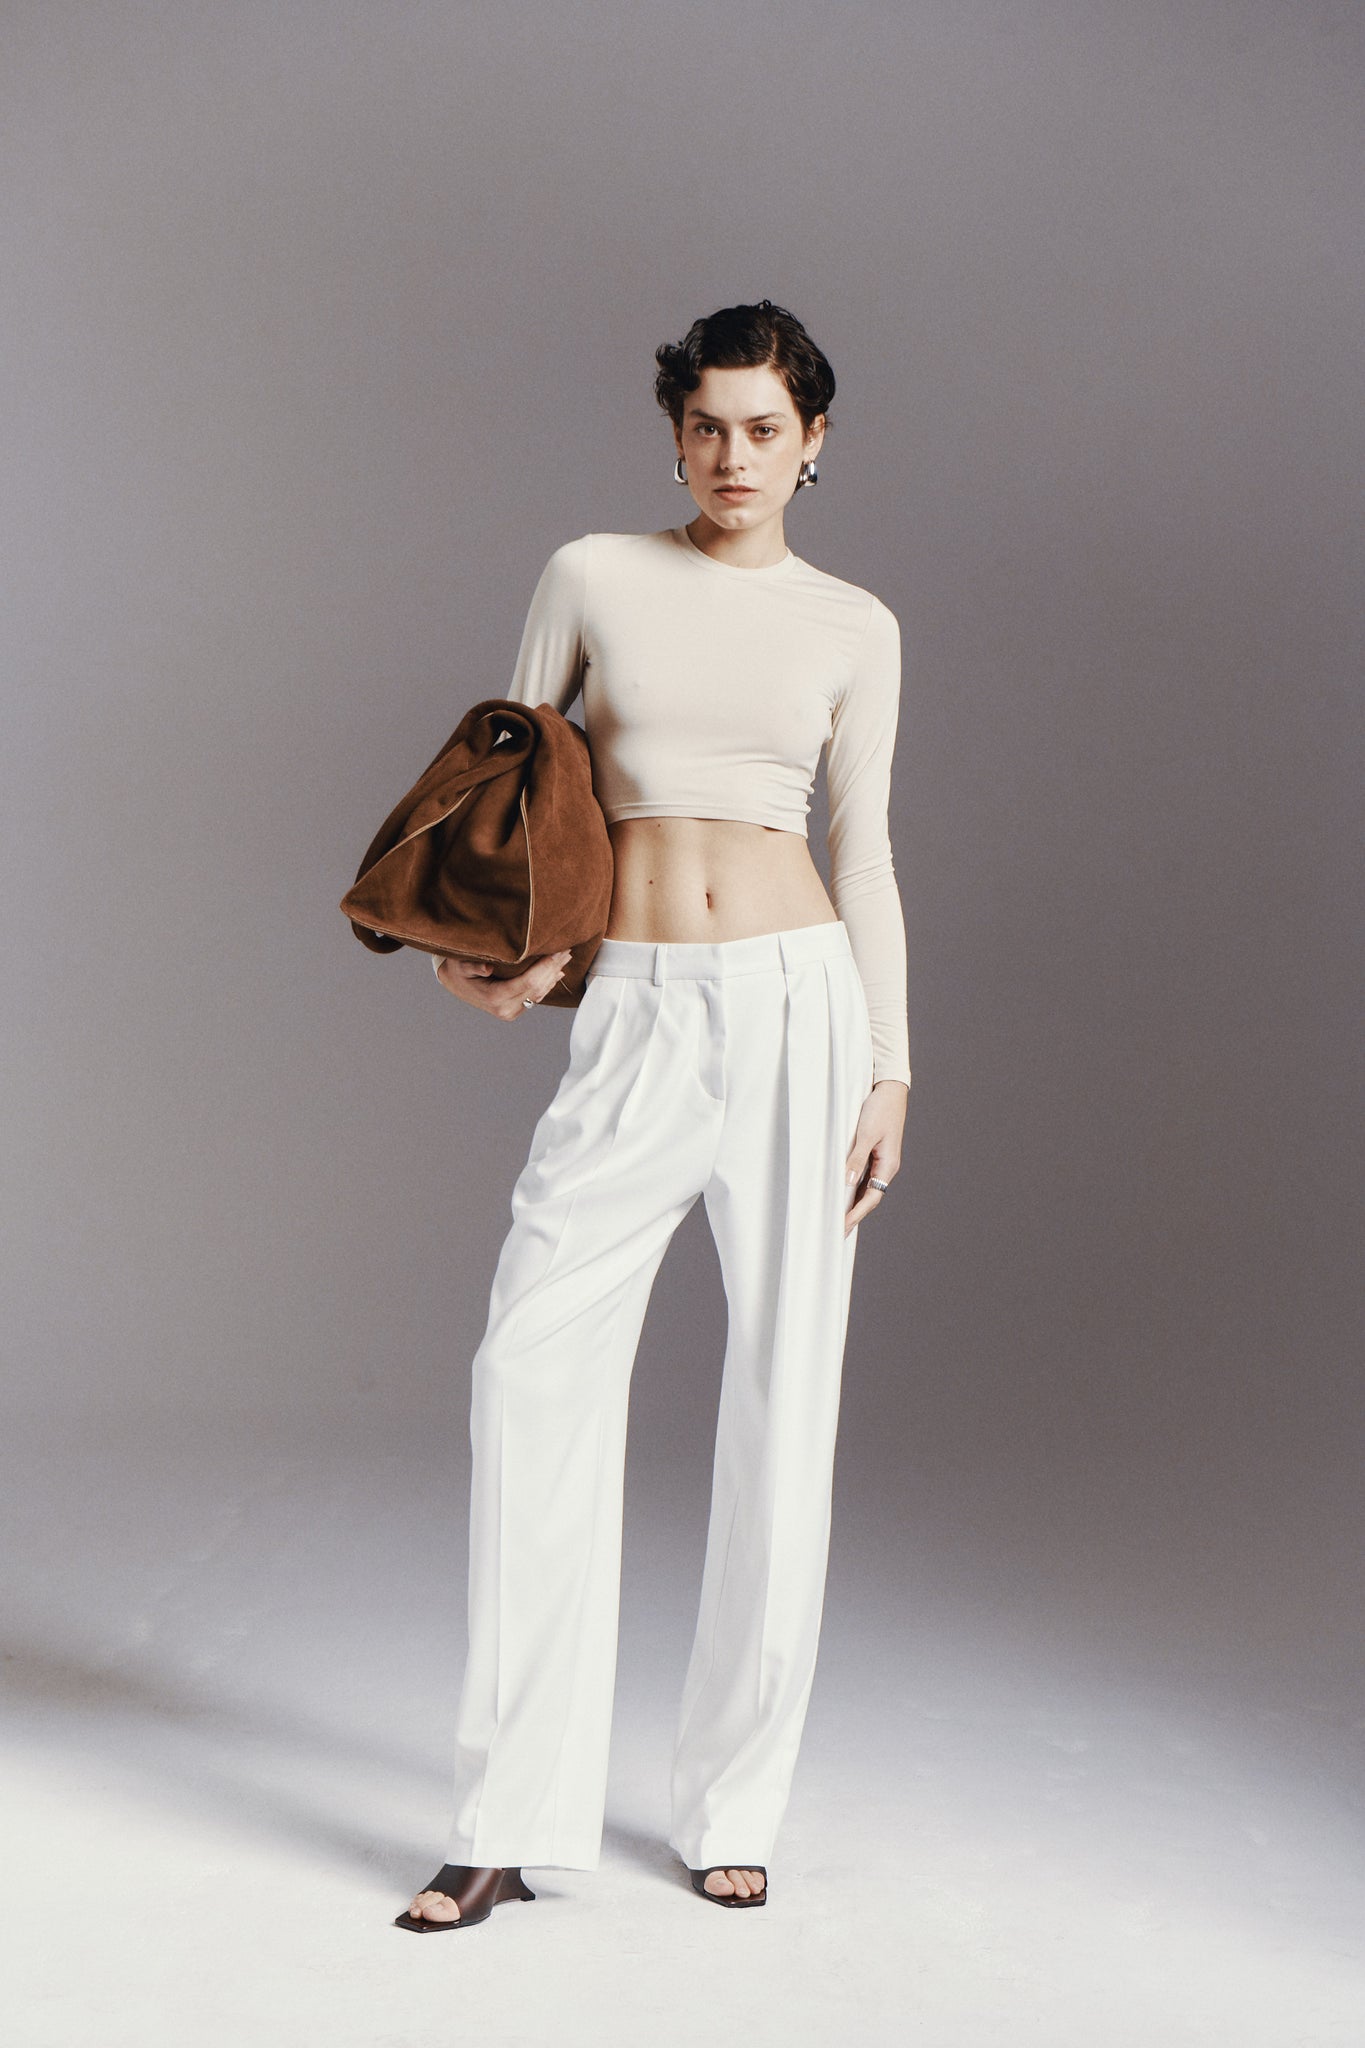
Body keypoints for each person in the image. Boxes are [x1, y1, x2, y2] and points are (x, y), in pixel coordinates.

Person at [395, 299, 911, 1931]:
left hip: (797, 1007)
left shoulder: (854, 626)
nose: (731, 456)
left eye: (763, 430)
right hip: (635, 1010)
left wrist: (890, 1066)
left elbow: (865, 854)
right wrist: (478, 955)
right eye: (704, 426)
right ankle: (505, 1816)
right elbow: (503, 785)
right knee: (528, 1370)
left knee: (783, 1396)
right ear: (673, 434)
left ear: (813, 444)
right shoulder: (593, 574)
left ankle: (733, 1804)